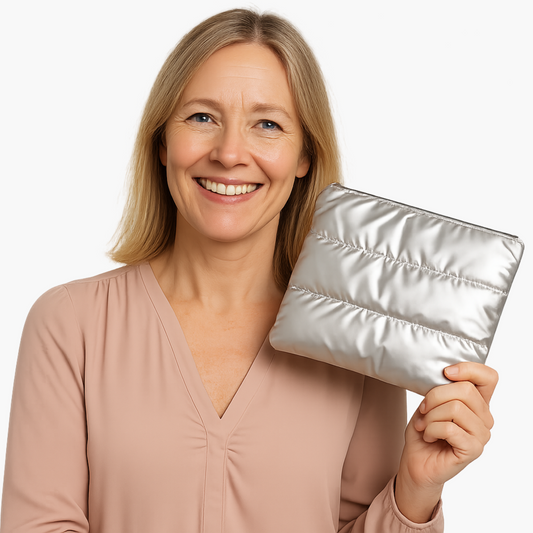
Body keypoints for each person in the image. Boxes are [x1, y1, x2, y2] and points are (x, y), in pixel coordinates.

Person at [0, 8, 497, 532]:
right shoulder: (70, 324)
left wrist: (415, 489)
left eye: (268, 124)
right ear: (163, 142)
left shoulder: (359, 339)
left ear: (304, 155)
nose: (230, 153)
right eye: (202, 117)